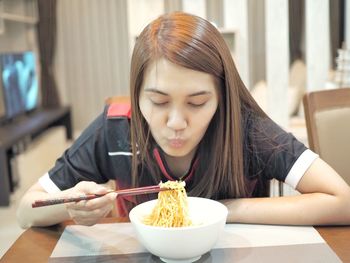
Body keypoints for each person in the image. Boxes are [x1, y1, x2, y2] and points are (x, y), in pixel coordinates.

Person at [17, 12, 350, 228]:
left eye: (197, 102)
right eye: (158, 101)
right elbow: (25, 210)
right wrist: (72, 205)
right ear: (136, 95)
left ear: (222, 97)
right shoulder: (116, 130)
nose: (176, 122)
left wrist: (223, 211)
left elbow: (343, 202)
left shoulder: (245, 130)